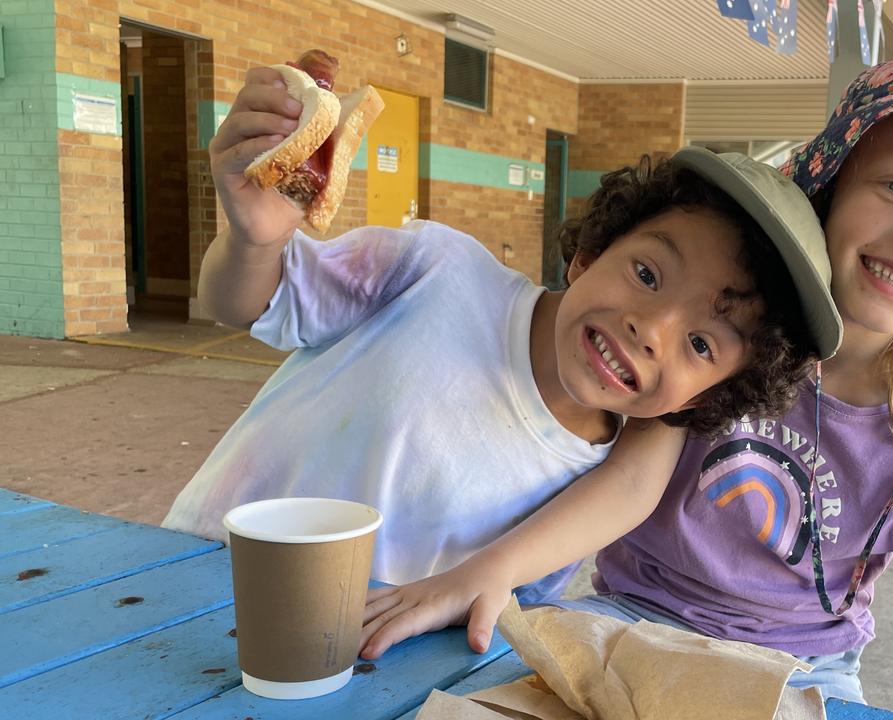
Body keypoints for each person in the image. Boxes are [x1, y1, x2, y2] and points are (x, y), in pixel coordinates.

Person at [357, 46, 893, 720]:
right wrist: (486, 572)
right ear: (831, 183)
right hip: (632, 619)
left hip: (799, 667)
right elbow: (633, 484)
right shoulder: (726, 335)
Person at [161, 65, 845, 603]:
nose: (653, 328)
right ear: (588, 253)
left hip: (354, 669)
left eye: (702, 345)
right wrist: (253, 242)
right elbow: (244, 305)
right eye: (646, 272)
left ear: (700, 401)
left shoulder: (593, 491)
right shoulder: (435, 268)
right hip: (179, 577)